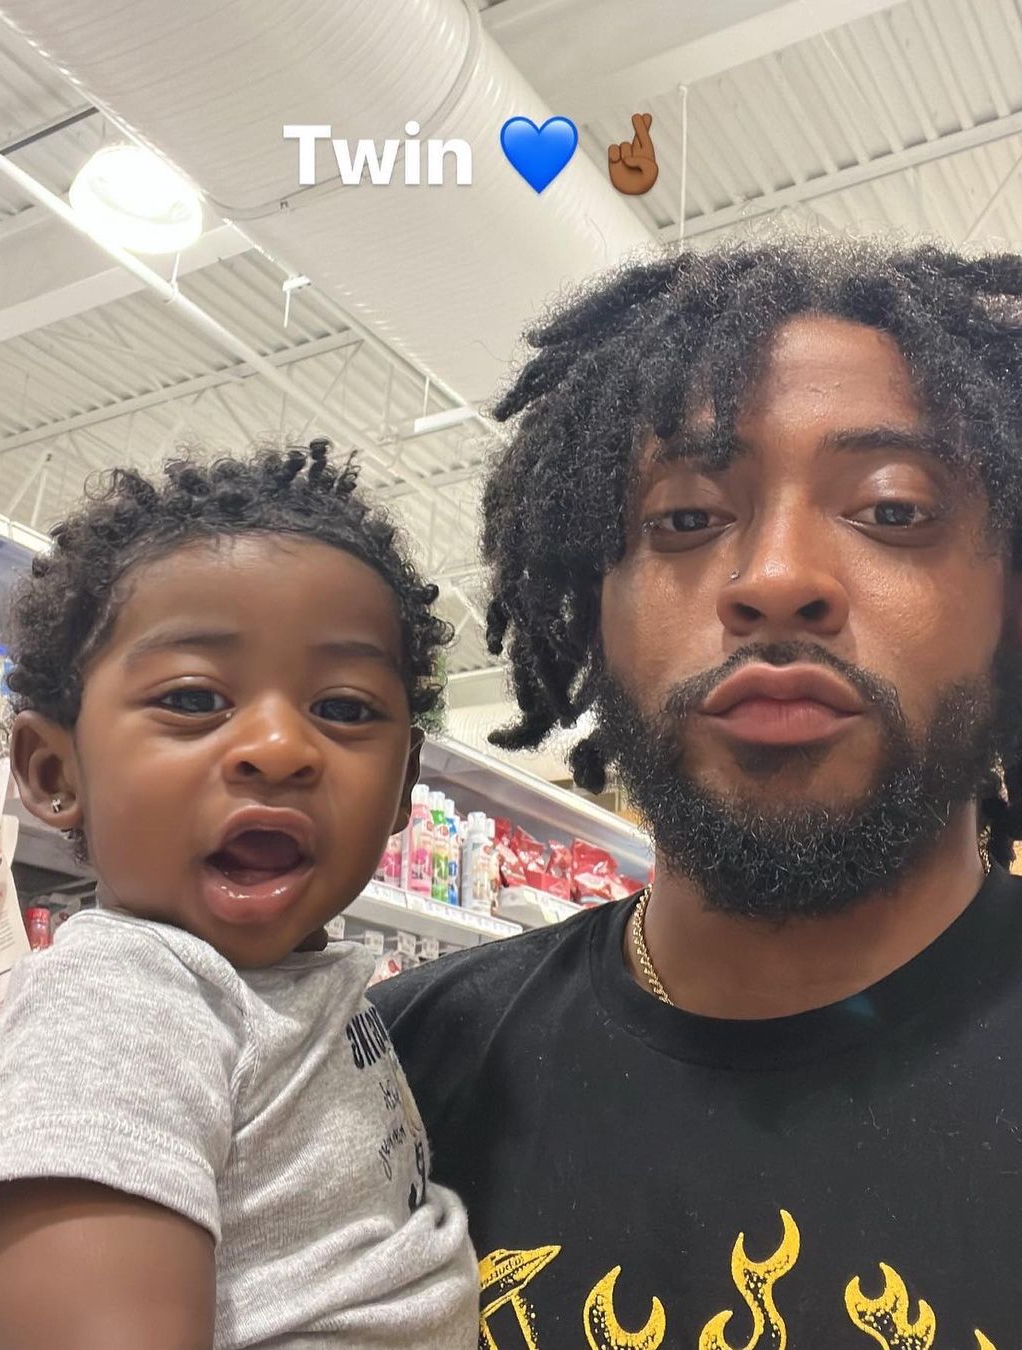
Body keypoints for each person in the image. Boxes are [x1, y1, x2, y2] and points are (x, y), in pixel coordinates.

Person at [370, 241, 1022, 1349]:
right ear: (591, 605)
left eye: (893, 509)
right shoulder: (396, 1076)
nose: (775, 578)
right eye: (683, 518)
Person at [0, 442, 478, 1350]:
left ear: (402, 790)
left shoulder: (282, 990)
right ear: (54, 770)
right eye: (193, 699)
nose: (279, 747)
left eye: (345, 708)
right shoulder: (117, 1022)